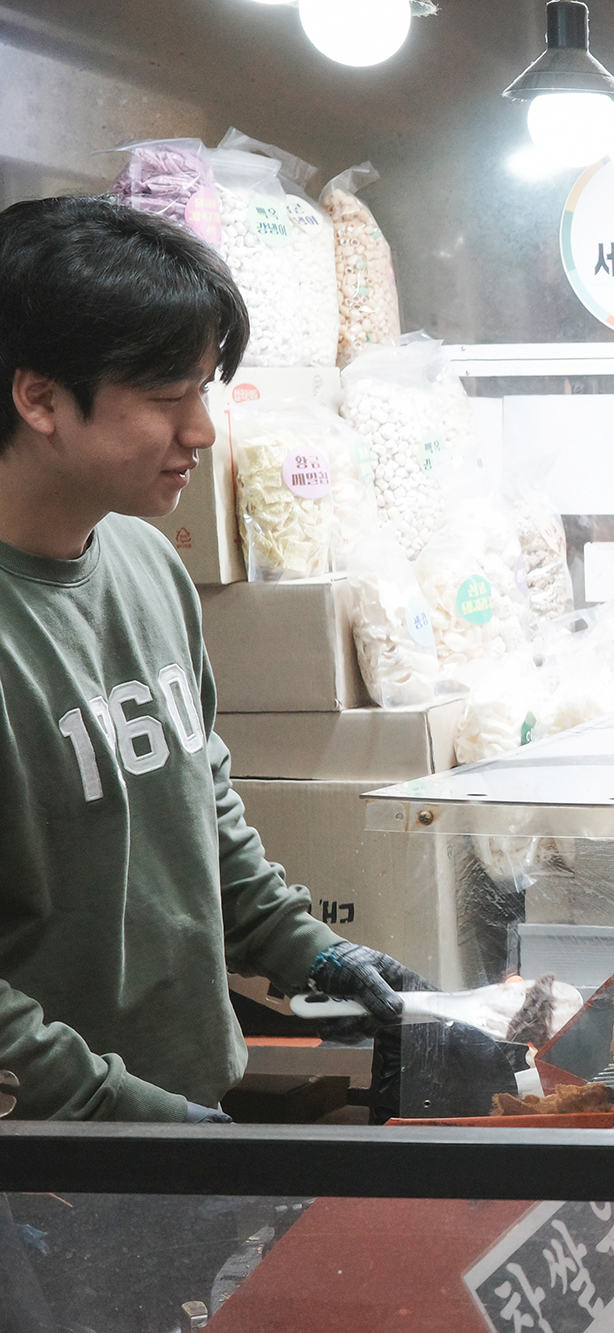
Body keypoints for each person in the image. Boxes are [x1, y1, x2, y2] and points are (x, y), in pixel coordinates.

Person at [0, 197, 438, 1327]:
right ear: (38, 396)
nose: (203, 432)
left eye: (206, 389)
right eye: (170, 394)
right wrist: (121, 1116)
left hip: (172, 1111)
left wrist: (313, 951)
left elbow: (198, 798)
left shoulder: (144, 563)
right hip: (44, 1163)